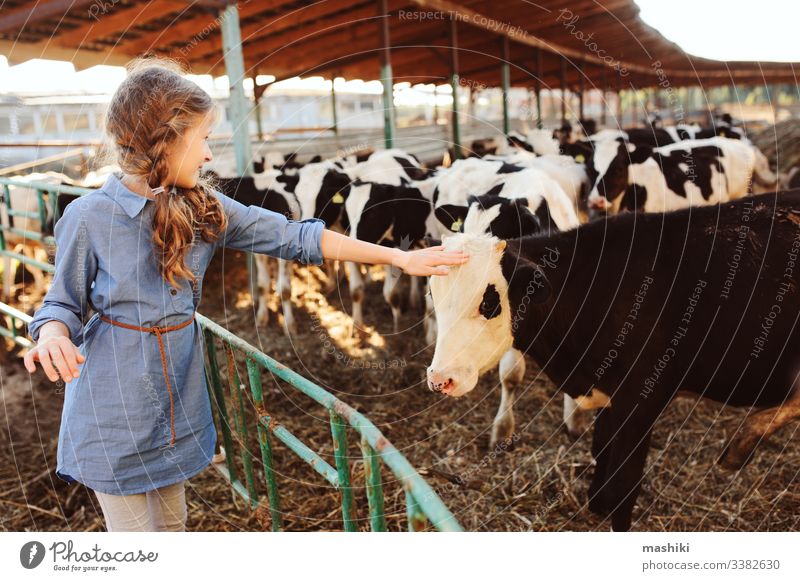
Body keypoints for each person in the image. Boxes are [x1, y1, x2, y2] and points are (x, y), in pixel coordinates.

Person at [21, 57, 469, 532]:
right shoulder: (89, 217)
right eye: (204, 139)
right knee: (135, 540)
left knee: (174, 528)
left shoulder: (204, 207)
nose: (210, 155)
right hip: (114, 403)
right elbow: (62, 303)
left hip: (179, 394)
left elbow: (295, 236)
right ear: (166, 139)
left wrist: (399, 259)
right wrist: (52, 335)